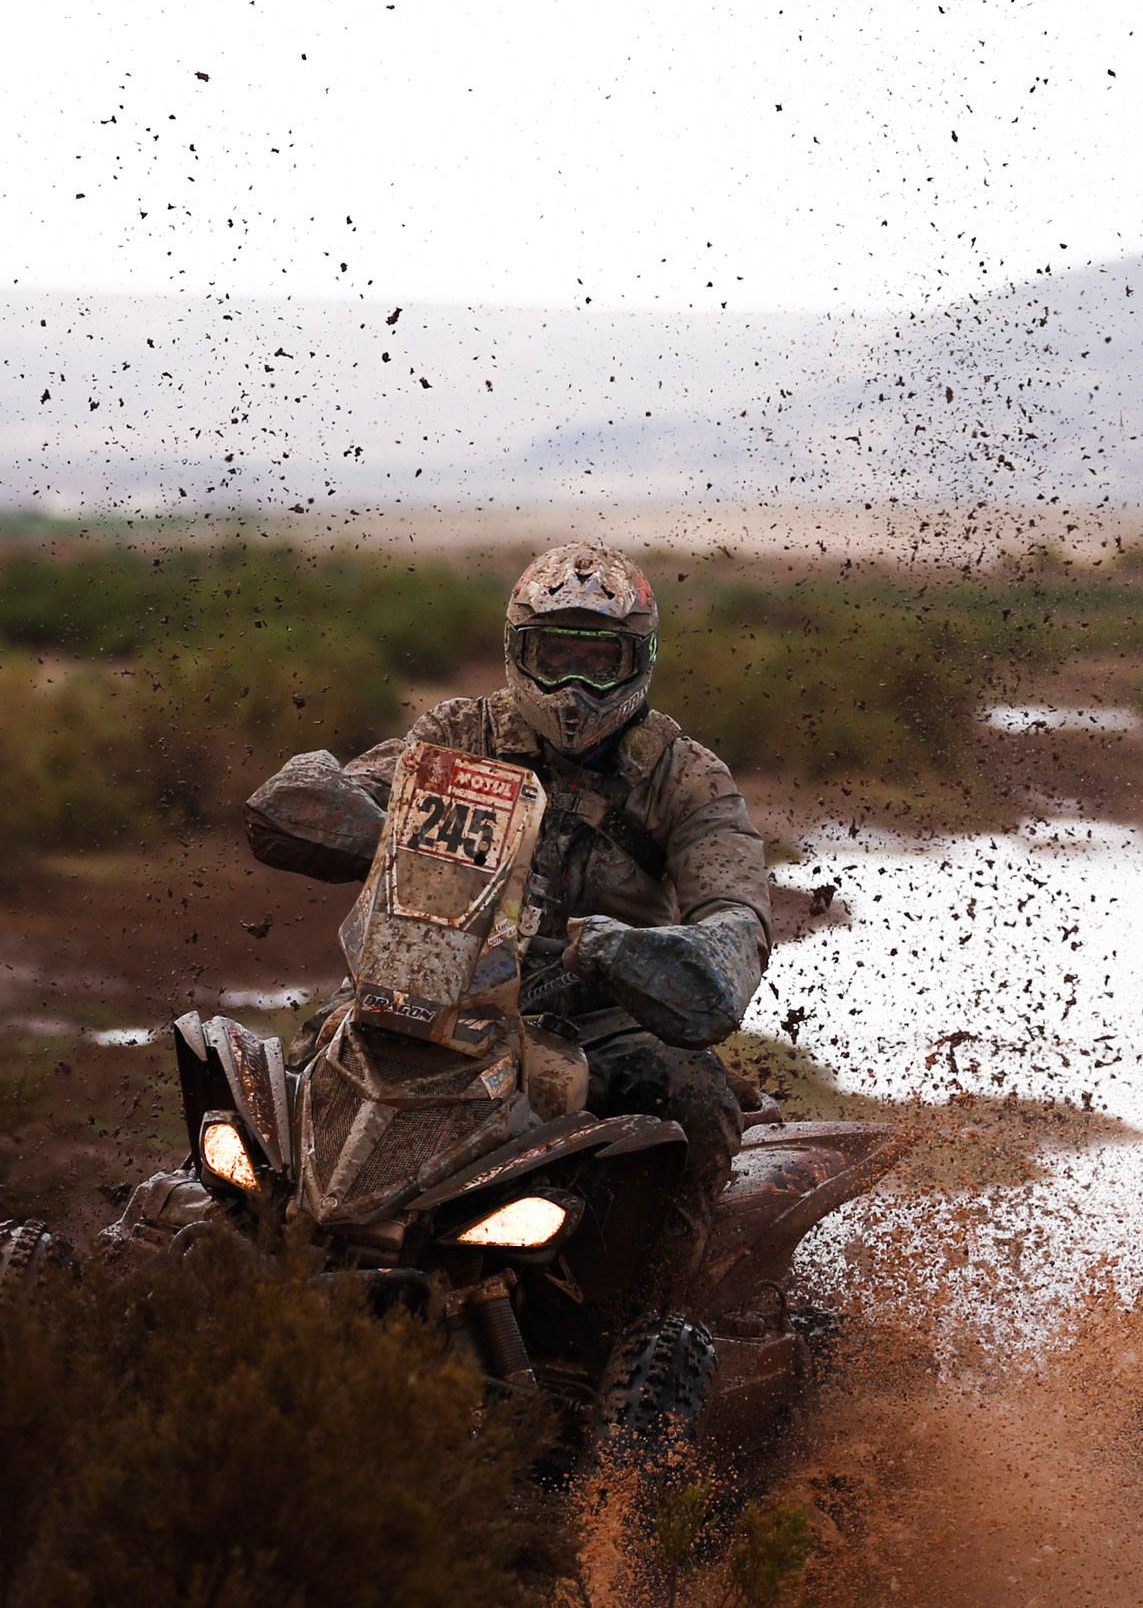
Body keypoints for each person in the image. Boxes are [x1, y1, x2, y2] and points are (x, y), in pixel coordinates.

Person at [244, 541, 770, 1297]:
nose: (575, 686)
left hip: (599, 1014)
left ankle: (655, 1318)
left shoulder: (685, 776)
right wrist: (368, 826)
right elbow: (292, 801)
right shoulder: (459, 735)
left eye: (600, 661)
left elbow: (736, 920)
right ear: (517, 651)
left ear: (640, 661)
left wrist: (636, 951)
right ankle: (245, 1248)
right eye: (554, 656)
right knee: (298, 1068)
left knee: (694, 1097)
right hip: (430, 988)